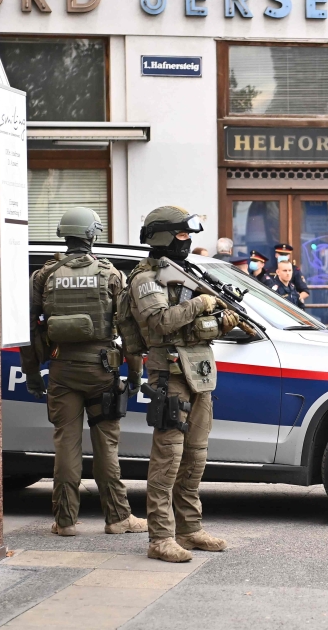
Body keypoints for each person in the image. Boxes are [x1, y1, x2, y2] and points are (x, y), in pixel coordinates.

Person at [19, 207, 148, 538]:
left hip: (62, 370)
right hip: (102, 369)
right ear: (93, 234)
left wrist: (33, 376)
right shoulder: (111, 274)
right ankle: (118, 518)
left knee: (66, 445)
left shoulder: (44, 276)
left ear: (65, 235)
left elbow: (30, 332)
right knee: (106, 446)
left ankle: (65, 521)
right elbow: (129, 331)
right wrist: (134, 374)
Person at [126, 206, 239, 562]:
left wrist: (222, 319)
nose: (188, 242)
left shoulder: (184, 272)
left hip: (199, 371)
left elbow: (206, 322)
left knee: (196, 456)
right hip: (169, 374)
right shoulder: (145, 279)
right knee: (168, 458)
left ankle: (189, 528)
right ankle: (160, 537)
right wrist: (203, 305)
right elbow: (160, 322)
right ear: (163, 235)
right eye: (182, 235)